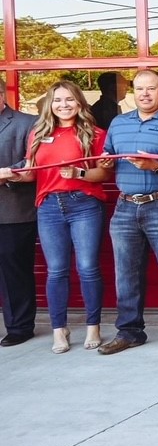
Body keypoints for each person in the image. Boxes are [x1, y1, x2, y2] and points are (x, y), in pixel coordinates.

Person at [0, 81, 110, 353]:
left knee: (87, 268)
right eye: (58, 100)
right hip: (49, 206)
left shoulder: (94, 133)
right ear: (50, 103)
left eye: (69, 100)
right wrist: (11, 174)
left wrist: (79, 174)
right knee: (57, 271)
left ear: (79, 102)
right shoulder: (38, 132)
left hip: (84, 204)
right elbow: (32, 172)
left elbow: (104, 175)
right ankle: (59, 330)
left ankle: (93, 326)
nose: (64, 105)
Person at [97, 70, 158, 356]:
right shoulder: (118, 123)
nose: (144, 94)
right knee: (125, 274)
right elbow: (107, 160)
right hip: (125, 206)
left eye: (151, 89)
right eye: (139, 89)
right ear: (132, 92)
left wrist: (154, 165)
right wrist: (105, 163)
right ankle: (129, 332)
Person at [0, 76, 38, 347]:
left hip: (13, 211)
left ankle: (19, 327)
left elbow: (33, 161)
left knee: (15, 272)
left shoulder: (27, 123)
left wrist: (8, 173)